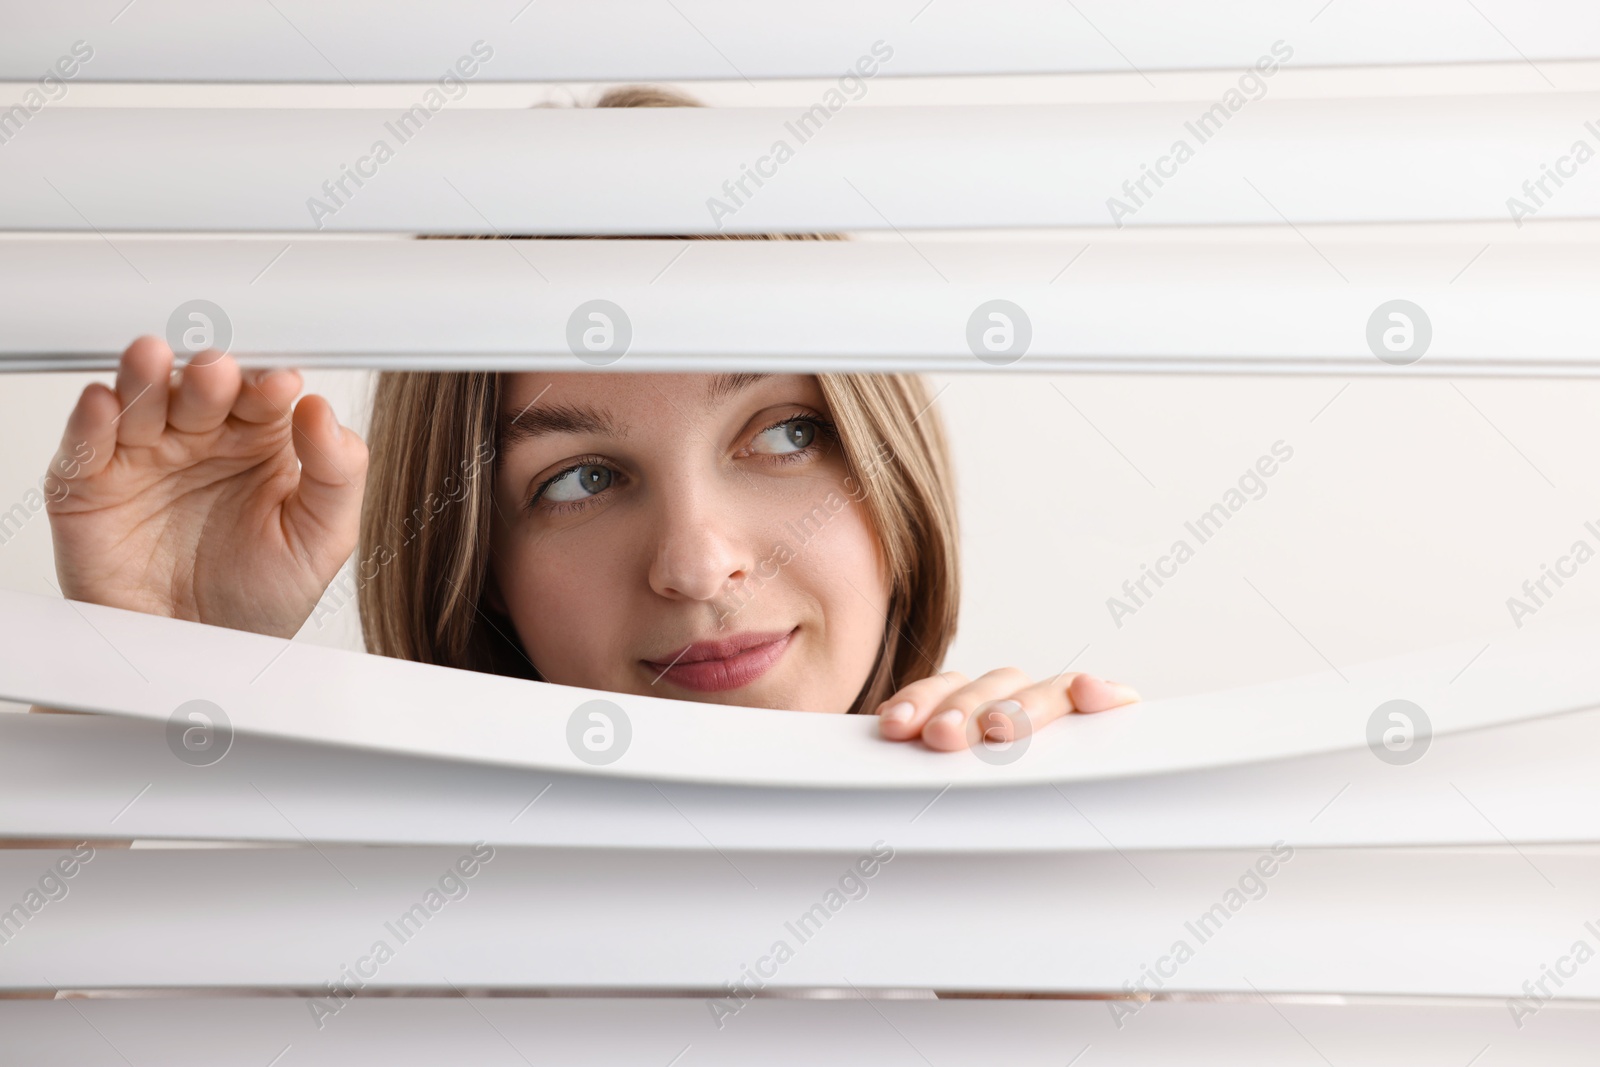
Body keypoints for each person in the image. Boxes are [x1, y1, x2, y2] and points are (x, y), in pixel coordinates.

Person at [39, 88, 1138, 754]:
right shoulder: (347, 956)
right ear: (480, 577)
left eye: (785, 432)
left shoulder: (1018, 914)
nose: (699, 566)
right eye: (579, 478)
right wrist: (146, 673)